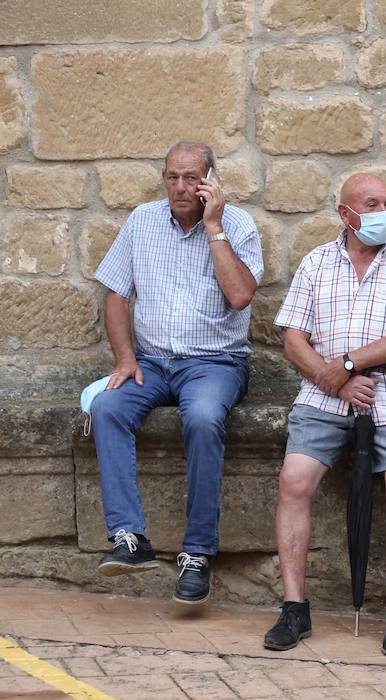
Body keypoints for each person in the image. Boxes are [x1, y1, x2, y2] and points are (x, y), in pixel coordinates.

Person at [263, 173, 386, 657]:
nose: (384, 211)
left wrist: (347, 365)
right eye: (372, 204)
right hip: (324, 393)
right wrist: (331, 376)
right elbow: (292, 339)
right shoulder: (317, 263)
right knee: (293, 480)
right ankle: (294, 607)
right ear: (345, 214)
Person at [90, 140, 262, 604]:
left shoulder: (238, 225)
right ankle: (129, 537)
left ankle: (197, 554)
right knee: (106, 407)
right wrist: (125, 358)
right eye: (172, 177)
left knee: (204, 417)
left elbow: (241, 296)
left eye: (192, 178)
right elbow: (114, 293)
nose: (181, 187)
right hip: (151, 362)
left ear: (211, 181)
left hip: (216, 363)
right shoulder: (142, 221)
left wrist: (214, 227)